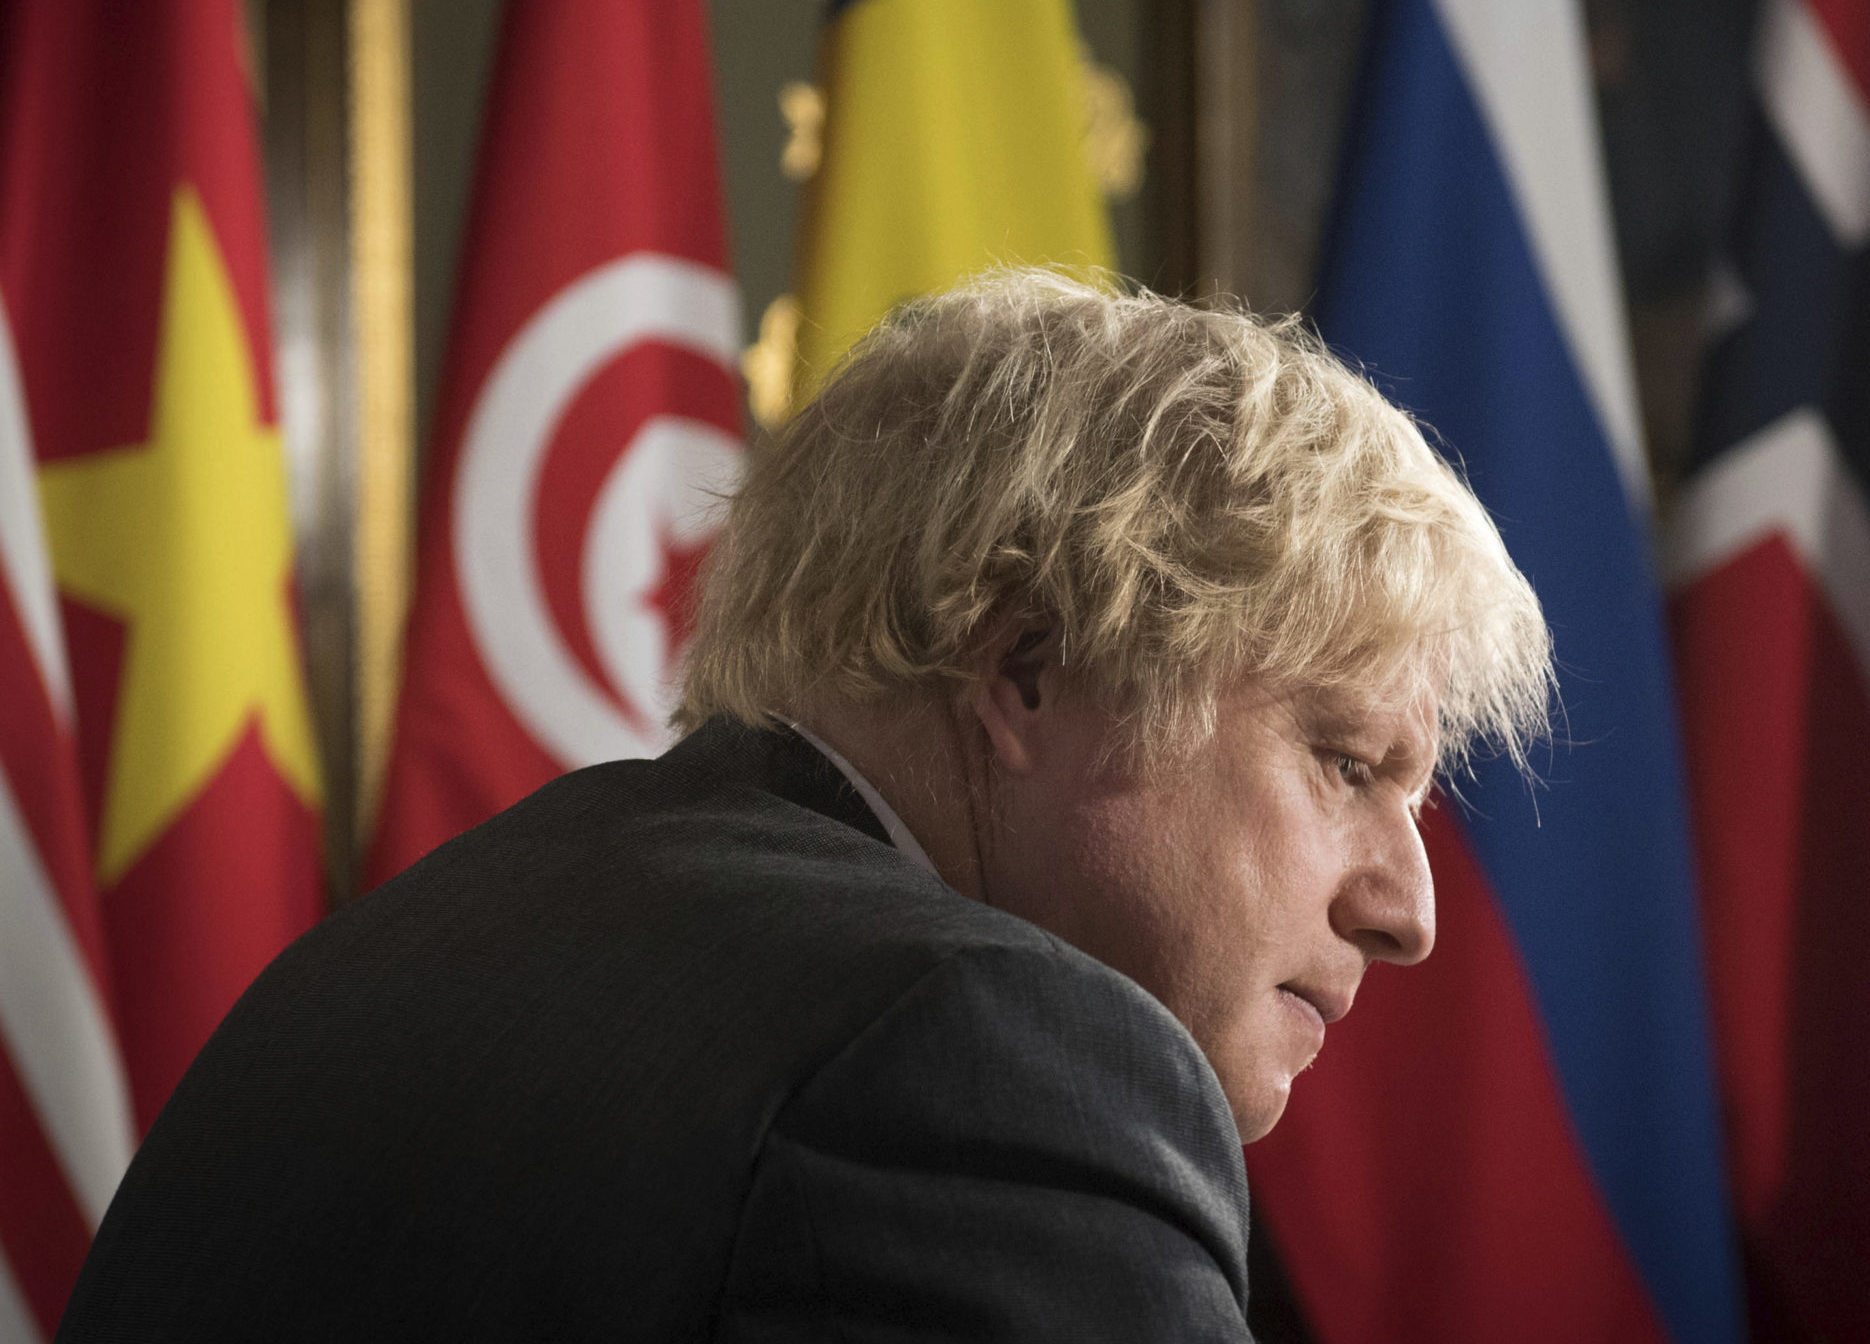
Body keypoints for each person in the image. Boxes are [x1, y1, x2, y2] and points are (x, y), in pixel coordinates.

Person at [57, 269, 1552, 1341]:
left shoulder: (404, 944)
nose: (1406, 908)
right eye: (1347, 763)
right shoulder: (988, 1069)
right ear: (1027, 669)